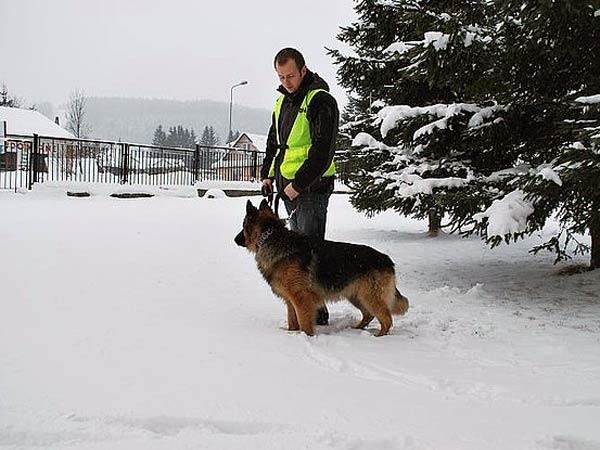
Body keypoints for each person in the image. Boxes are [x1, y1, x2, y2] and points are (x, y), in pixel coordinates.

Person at [260, 47, 339, 326]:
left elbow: (323, 150)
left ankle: (317, 312)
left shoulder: (320, 100)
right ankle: (305, 306)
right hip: (287, 187)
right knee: (297, 256)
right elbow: (275, 143)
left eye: (290, 76)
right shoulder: (281, 102)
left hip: (311, 189)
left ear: (303, 70)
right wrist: (267, 175)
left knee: (312, 253)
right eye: (281, 77)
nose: (286, 82)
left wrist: (299, 184)